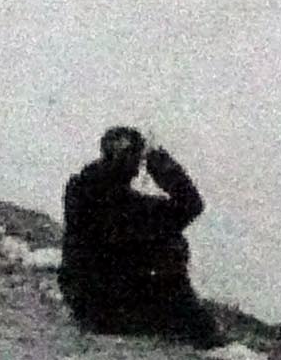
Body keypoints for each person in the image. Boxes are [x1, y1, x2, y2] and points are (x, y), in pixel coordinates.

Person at [59, 127, 224, 348]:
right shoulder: (134, 210)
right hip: (111, 312)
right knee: (170, 246)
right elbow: (191, 204)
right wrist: (161, 165)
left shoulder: (78, 189)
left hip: (82, 301)